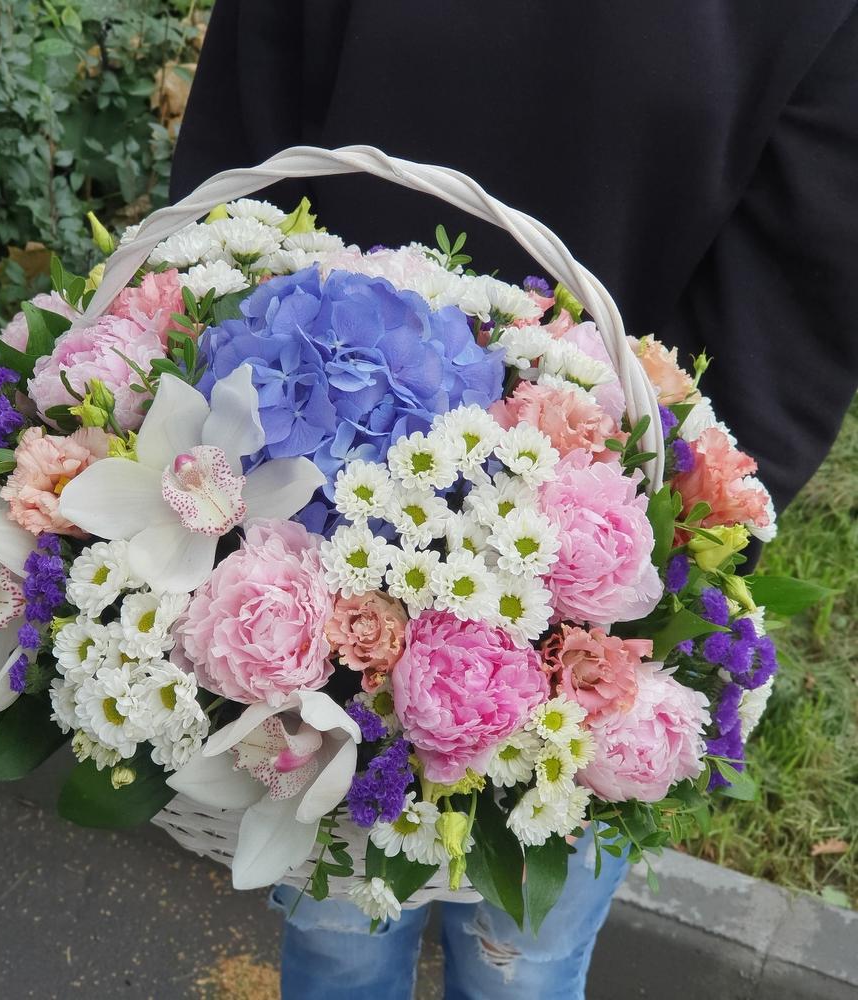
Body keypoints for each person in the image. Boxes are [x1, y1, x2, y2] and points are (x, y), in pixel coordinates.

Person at [169, 3, 858, 996]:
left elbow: (788, 312)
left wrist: (649, 549)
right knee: (336, 931)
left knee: (521, 959)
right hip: (308, 524)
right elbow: (244, 150)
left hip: (599, 567)